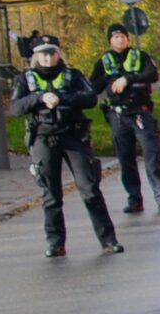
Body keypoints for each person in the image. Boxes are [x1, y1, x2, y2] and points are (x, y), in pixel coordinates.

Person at [11, 33, 120, 258]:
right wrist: (40, 98)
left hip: (73, 136)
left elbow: (90, 98)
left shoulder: (73, 75)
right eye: (42, 54)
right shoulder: (26, 78)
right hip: (43, 138)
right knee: (51, 194)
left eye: (51, 53)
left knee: (89, 189)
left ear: (58, 53)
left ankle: (108, 240)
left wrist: (63, 99)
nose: (47, 58)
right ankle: (55, 243)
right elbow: (16, 108)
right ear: (35, 56)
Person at [94, 21, 160, 214]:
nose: (120, 40)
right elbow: (93, 86)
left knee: (151, 155)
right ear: (110, 41)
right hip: (118, 115)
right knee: (125, 159)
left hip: (140, 112)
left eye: (122, 36)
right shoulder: (103, 62)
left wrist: (128, 78)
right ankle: (134, 198)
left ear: (128, 39)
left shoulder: (140, 56)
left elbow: (152, 74)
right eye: (115, 37)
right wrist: (108, 80)